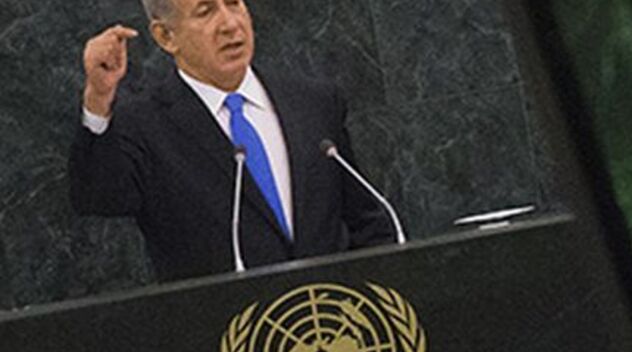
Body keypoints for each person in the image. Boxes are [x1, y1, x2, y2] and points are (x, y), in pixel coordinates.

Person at [70, 0, 395, 282]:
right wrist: (98, 99)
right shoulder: (145, 126)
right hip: (224, 337)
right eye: (205, 11)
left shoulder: (313, 102)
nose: (229, 24)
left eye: (235, 4)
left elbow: (365, 219)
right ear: (166, 36)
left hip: (332, 326)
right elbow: (99, 198)